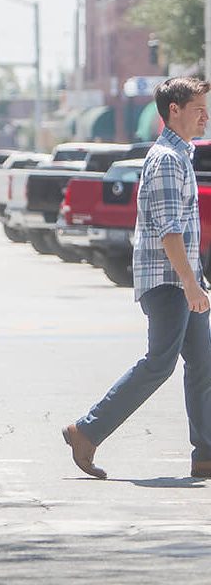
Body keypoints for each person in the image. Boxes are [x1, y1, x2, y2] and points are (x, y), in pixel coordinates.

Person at [64, 76, 211, 480]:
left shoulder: (181, 156)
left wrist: (195, 279)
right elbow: (169, 231)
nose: (205, 116)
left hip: (182, 278)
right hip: (168, 282)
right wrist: (190, 283)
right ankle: (86, 430)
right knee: (159, 363)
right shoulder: (166, 159)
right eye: (198, 108)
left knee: (203, 363)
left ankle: (206, 454)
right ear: (174, 111)